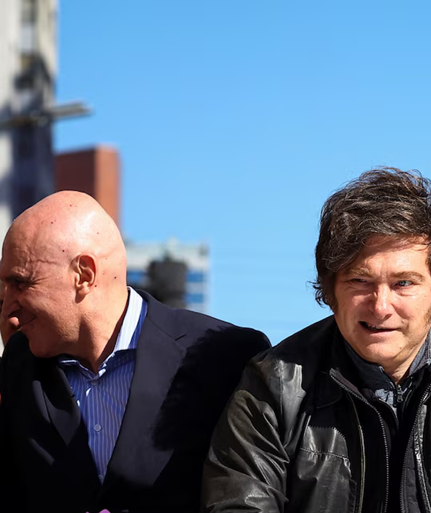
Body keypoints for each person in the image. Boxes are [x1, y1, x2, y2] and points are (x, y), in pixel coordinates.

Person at [202, 168, 431, 513]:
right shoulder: (275, 384)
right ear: (330, 291)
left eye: (403, 283)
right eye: (359, 281)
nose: (380, 306)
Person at [0, 191, 271, 513]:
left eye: (21, 283)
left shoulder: (228, 358)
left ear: (84, 275)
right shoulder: (19, 365)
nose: (8, 305)